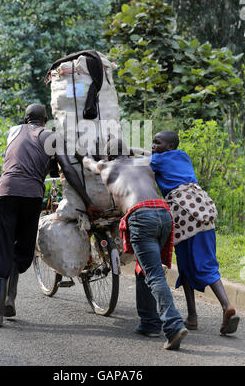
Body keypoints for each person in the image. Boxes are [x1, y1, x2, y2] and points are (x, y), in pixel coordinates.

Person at [0, 103, 101, 327]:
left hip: (6, 192)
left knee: (4, 247)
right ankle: (7, 300)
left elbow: (22, 156)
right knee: (23, 248)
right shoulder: (51, 136)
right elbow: (66, 169)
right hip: (31, 197)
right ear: (45, 120)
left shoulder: (13, 131)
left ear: (25, 118)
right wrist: (88, 201)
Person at [77, 137, 188, 350]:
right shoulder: (144, 163)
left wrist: (80, 152)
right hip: (163, 213)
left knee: (153, 273)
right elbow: (148, 153)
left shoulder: (105, 165)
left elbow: (87, 162)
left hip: (141, 216)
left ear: (109, 156)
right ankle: (150, 323)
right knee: (144, 269)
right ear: (129, 154)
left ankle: (173, 325)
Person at [149, 130, 240, 335]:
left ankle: (209, 311)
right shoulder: (183, 156)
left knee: (189, 263)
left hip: (183, 212)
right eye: (152, 143)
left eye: (157, 142)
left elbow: (138, 163)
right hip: (202, 206)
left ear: (170, 147)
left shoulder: (158, 160)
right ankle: (209, 312)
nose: (153, 146)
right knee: (204, 261)